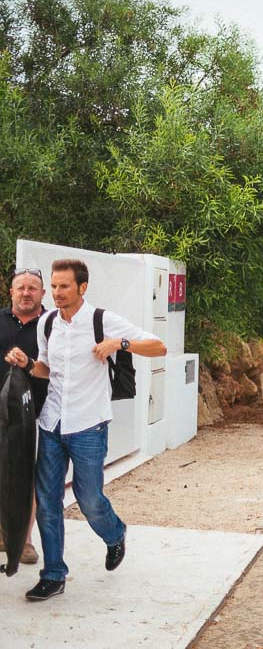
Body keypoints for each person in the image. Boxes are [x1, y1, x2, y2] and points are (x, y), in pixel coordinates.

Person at [4, 258, 166, 602]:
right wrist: (29, 365)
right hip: (51, 424)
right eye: (55, 286)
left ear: (82, 287)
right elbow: (47, 370)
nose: (58, 293)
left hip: (88, 425)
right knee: (48, 502)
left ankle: (114, 533)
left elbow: (158, 346)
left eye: (65, 286)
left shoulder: (102, 320)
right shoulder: (47, 323)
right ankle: (54, 575)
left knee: (89, 499)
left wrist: (118, 344)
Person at [0, 268, 49, 565]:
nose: (26, 293)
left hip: (39, 412)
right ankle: (5, 534)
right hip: (0, 412)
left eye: (33, 288)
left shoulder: (53, 323)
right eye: (21, 288)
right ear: (11, 292)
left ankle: (26, 540)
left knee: (27, 476)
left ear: (43, 294)